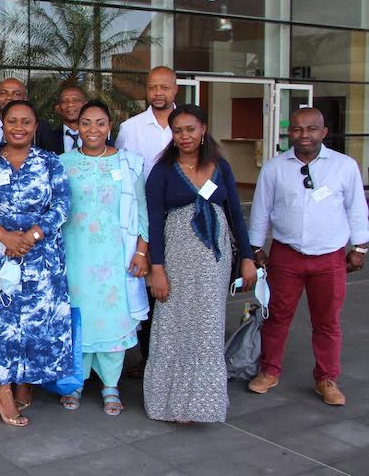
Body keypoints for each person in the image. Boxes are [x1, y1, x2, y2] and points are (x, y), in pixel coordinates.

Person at [247, 108, 369, 406]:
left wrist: (360, 247)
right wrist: (255, 247)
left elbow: (356, 208)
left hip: (330, 257)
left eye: (311, 128)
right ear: (289, 133)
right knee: (276, 316)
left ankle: (326, 378)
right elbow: (261, 209)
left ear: (323, 132)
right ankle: (269, 370)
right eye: (298, 129)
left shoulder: (344, 166)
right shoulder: (275, 168)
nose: (304, 134)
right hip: (286, 255)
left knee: (327, 321)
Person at [143, 104, 256, 423]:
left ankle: (201, 403)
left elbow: (235, 214)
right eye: (178, 130)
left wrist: (248, 257)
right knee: (173, 326)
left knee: (207, 328)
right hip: (176, 258)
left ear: (203, 129)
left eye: (190, 129)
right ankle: (170, 402)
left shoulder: (220, 166)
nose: (184, 136)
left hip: (213, 261)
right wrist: (157, 268)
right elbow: (154, 222)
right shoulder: (163, 170)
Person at [0, 100, 71, 427]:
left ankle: (26, 380)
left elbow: (62, 205)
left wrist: (32, 235)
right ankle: (2, 391)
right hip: (0, 255)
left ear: (36, 126)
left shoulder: (51, 162)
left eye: (26, 122)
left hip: (42, 257)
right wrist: (6, 237)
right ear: (3, 124)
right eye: (12, 121)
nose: (19, 127)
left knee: (36, 324)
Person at [58, 100, 149, 416]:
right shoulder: (62, 163)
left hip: (115, 258)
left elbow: (142, 211)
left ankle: (111, 385)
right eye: (86, 123)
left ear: (110, 127)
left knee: (113, 317)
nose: (92, 129)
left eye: (100, 123)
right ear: (77, 127)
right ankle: (75, 382)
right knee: (77, 316)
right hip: (75, 256)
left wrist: (142, 251)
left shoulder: (129, 163)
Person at [114, 65, 178, 373]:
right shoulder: (131, 128)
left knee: (179, 285)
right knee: (149, 284)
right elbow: (121, 174)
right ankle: (150, 357)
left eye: (164, 87)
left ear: (175, 89)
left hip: (181, 216)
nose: (158, 93)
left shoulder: (187, 124)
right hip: (144, 217)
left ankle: (176, 355)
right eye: (153, 87)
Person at [44, 85, 89, 154]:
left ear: (86, 106)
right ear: (58, 108)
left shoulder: (99, 137)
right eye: (65, 101)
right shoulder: (47, 139)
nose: (70, 104)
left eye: (76, 100)